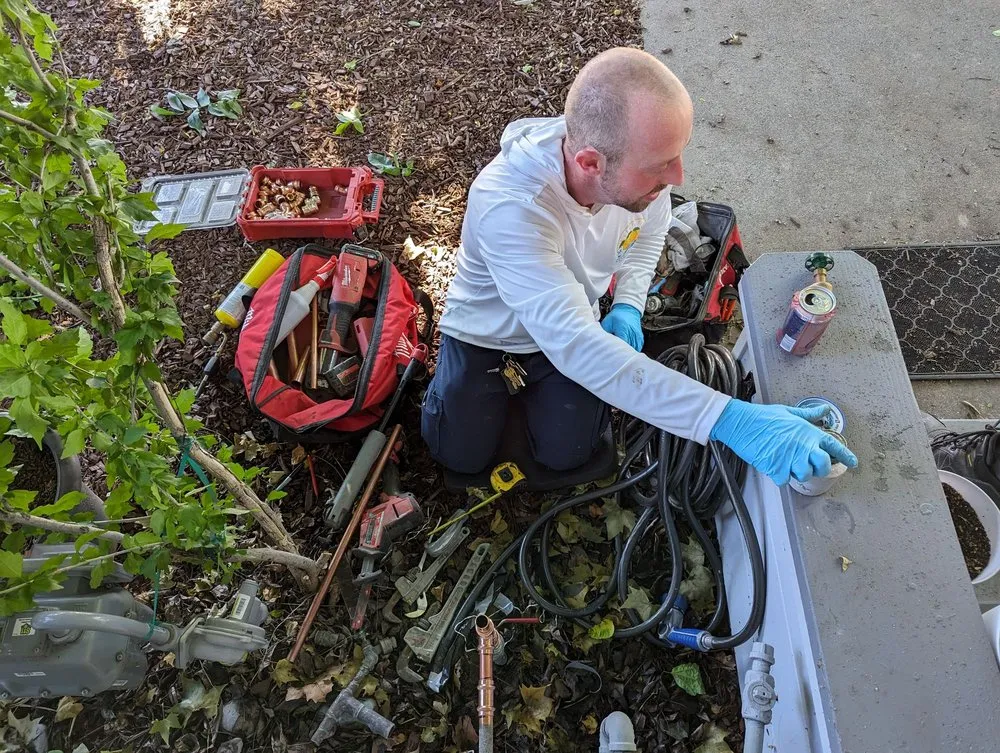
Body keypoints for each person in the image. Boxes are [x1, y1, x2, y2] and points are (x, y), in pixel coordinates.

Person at [420, 47, 858, 485]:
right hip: (488, 335)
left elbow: (648, 236)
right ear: (590, 162)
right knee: (459, 456)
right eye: (662, 165)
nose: (678, 177)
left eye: (678, 155)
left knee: (568, 455)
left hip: (574, 323)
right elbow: (576, 347)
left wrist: (627, 304)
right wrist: (732, 421)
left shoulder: (641, 174)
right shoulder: (511, 208)